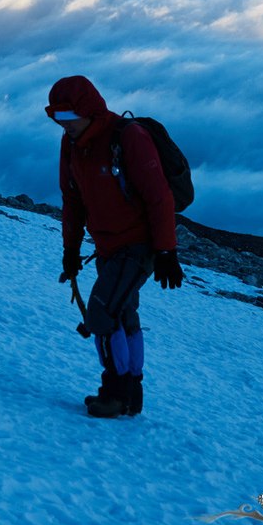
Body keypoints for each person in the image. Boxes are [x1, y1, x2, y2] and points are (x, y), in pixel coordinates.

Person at [46, 75, 184, 418]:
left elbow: (159, 197)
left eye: (68, 117)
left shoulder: (128, 137)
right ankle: (131, 393)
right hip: (107, 245)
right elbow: (72, 201)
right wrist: (71, 250)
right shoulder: (72, 143)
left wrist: (166, 252)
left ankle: (115, 392)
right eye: (56, 118)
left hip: (138, 245)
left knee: (101, 314)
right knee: (122, 314)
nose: (63, 125)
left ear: (89, 110)